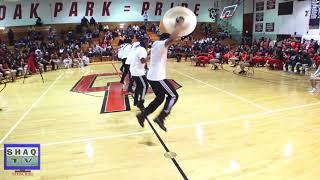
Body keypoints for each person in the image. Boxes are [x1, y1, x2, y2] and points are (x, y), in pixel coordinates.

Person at [136, 17, 184, 132]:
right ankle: (161, 117)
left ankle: (143, 115)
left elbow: (173, 39)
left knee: (160, 97)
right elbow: (171, 39)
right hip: (158, 77)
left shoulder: (155, 44)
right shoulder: (162, 44)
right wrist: (180, 24)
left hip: (152, 77)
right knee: (173, 96)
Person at [130, 37, 149, 109]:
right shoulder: (142, 50)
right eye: (147, 42)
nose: (148, 44)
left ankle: (135, 101)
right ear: (145, 42)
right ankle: (141, 102)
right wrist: (151, 56)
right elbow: (142, 61)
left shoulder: (139, 48)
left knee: (138, 86)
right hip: (138, 72)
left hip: (136, 70)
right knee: (145, 86)